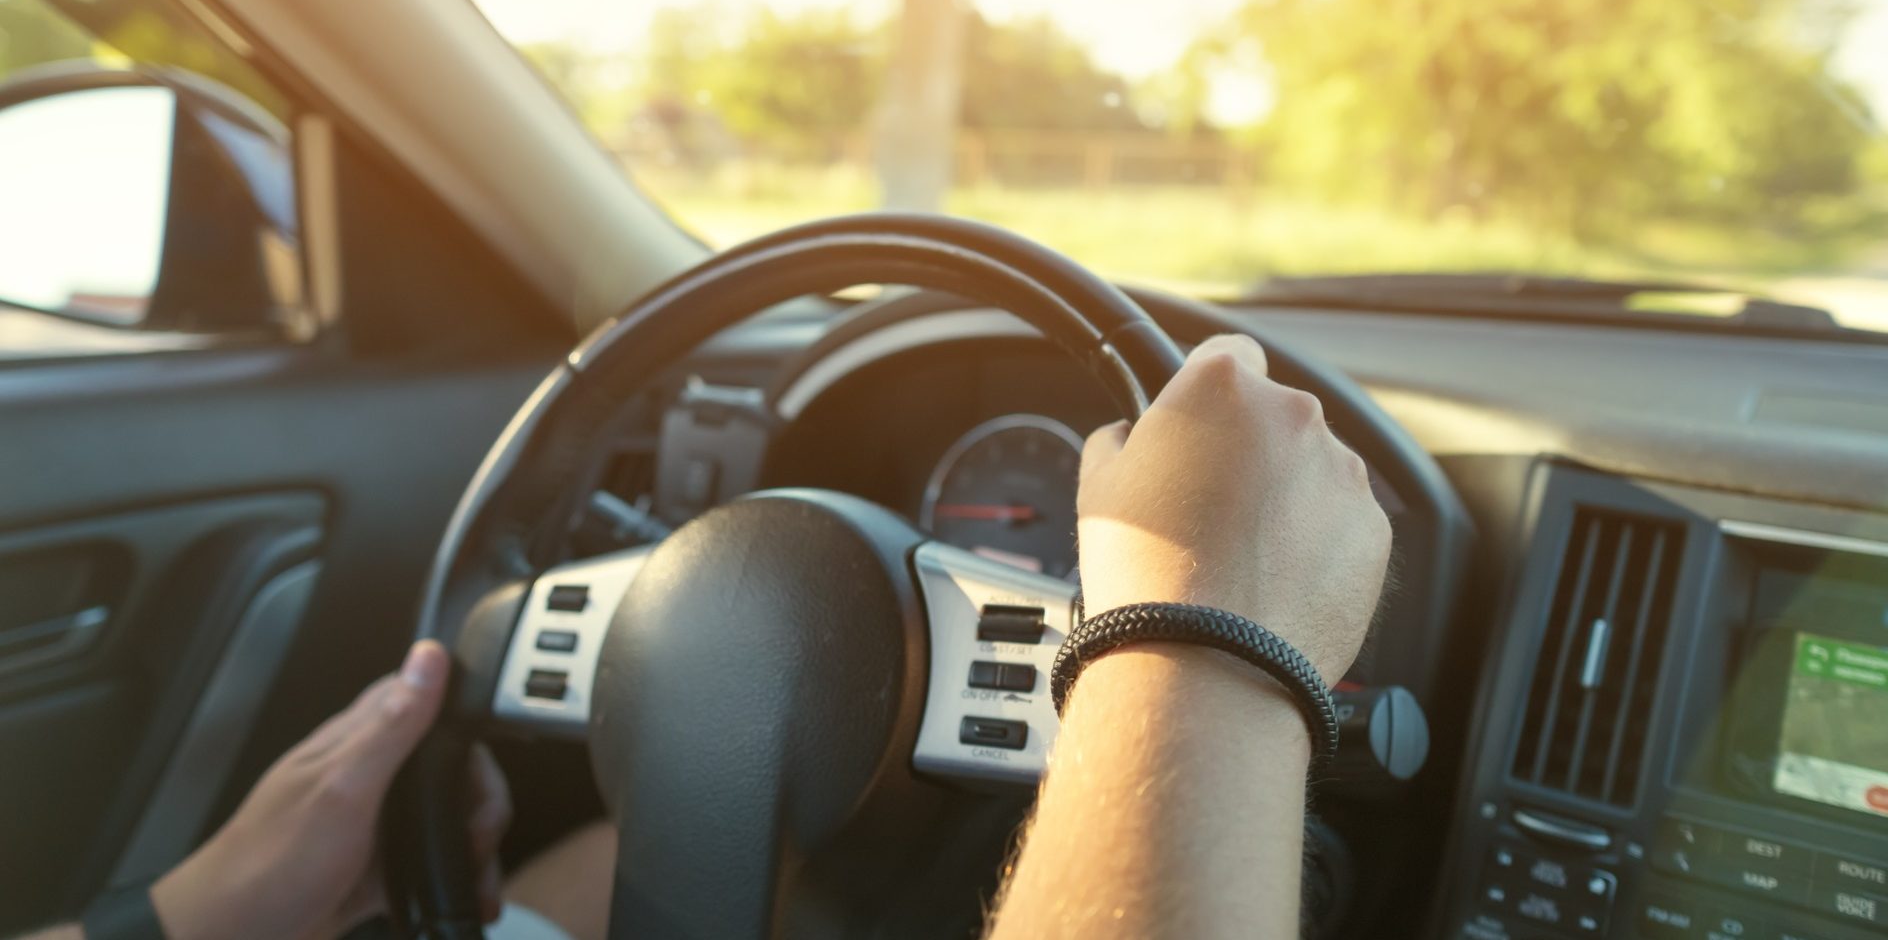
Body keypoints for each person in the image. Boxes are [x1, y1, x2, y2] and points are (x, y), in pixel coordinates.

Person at [17, 334, 1390, 940]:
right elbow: (1195, 635)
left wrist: (185, 922)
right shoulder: (1202, 642)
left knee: (612, 855)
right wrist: (1199, 643)